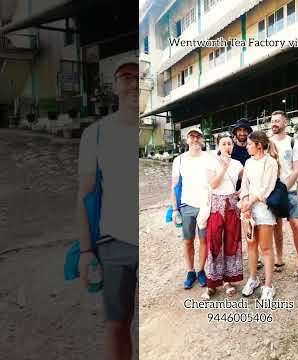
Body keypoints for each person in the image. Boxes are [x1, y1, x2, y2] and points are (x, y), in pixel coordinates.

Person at [78, 55, 139, 360]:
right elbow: (85, 195)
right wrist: (86, 250)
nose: (134, 83)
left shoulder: (153, 128)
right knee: (117, 324)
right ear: (115, 86)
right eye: (127, 76)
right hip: (114, 243)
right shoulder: (96, 134)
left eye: (140, 77)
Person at [202, 133, 244, 300]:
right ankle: (211, 284)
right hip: (216, 206)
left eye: (229, 144)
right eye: (224, 144)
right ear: (218, 146)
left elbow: (248, 179)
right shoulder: (211, 162)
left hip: (232, 206)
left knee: (232, 242)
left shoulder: (238, 164)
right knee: (214, 243)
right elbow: (212, 184)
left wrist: (241, 193)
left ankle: (228, 281)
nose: (227, 146)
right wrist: (224, 168)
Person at [239, 130, 280, 300]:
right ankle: (253, 279)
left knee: (266, 248)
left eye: (249, 144)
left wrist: (251, 202)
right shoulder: (248, 162)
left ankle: (268, 286)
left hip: (263, 210)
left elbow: (267, 188)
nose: (247, 147)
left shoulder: (270, 162)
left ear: (258, 145)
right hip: (248, 209)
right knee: (251, 245)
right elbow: (245, 185)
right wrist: (244, 202)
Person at [270, 110, 298, 281]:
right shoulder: (268, 143)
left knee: (296, 224)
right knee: (276, 226)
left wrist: (284, 188)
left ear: (286, 122)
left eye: (278, 120)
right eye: (272, 121)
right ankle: (279, 258)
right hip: (272, 190)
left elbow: (297, 170)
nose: (274, 123)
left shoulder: (293, 143)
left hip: (289, 190)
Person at [171, 128, 212, 290]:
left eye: (197, 136)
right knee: (188, 241)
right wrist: (175, 209)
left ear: (201, 139)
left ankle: (201, 270)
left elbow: (215, 181)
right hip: (186, 206)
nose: (194, 139)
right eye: (191, 136)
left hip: (205, 206)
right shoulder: (179, 160)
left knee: (204, 241)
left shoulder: (209, 158)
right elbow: (174, 186)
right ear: (186, 140)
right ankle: (190, 271)